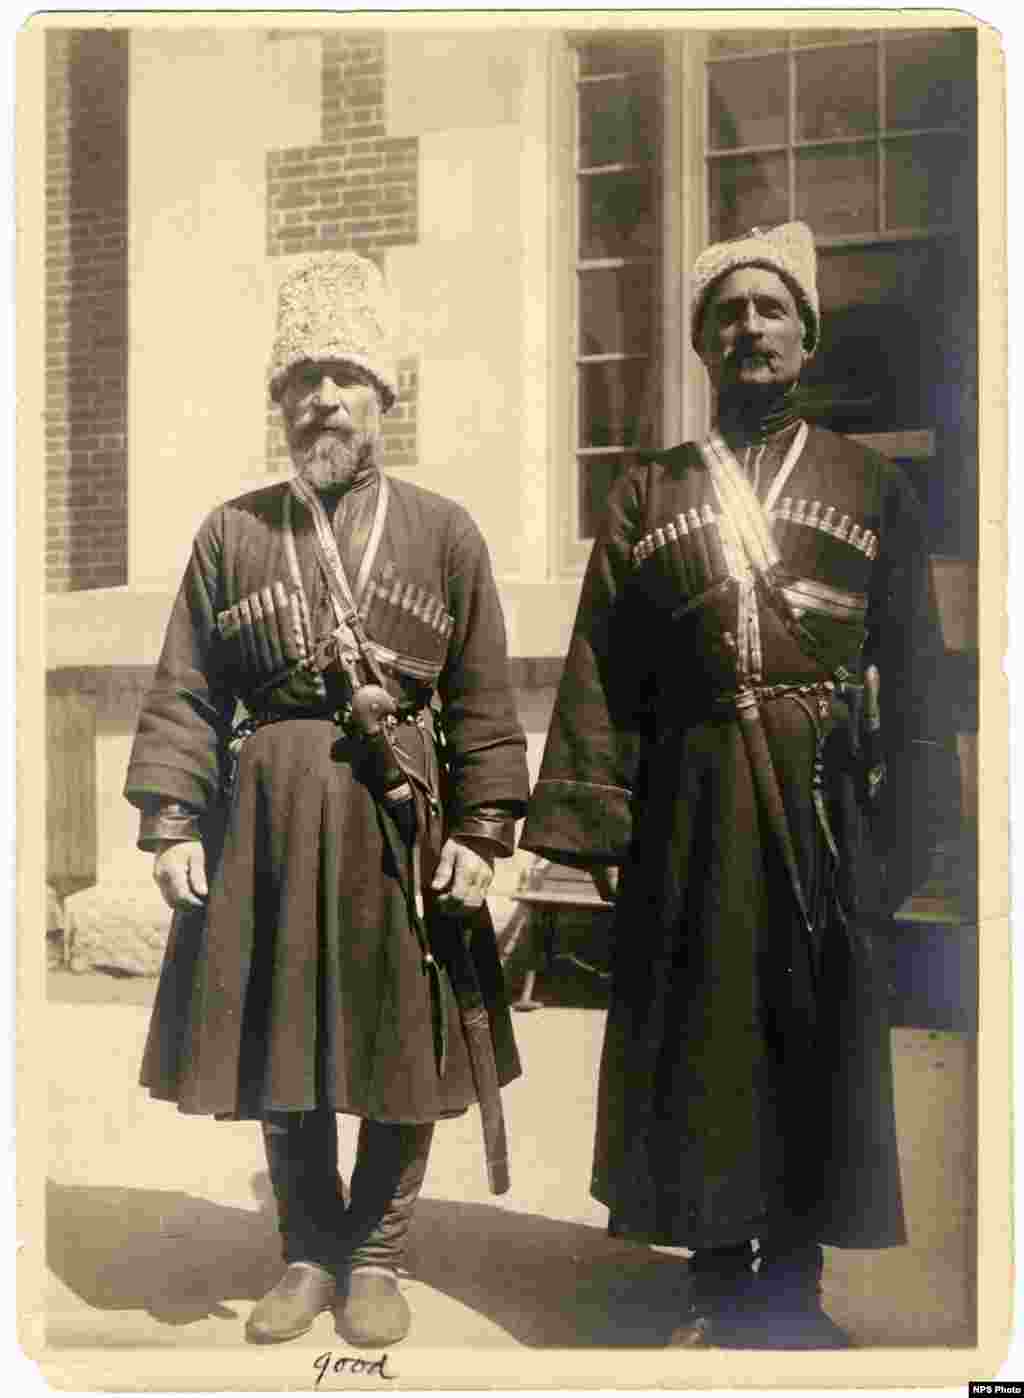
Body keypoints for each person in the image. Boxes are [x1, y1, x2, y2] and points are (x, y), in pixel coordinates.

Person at [521, 222, 948, 1347]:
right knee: (705, 1037)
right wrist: (596, 827)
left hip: (819, 798)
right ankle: (715, 1278)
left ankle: (792, 1288)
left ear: (805, 335)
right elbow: (601, 664)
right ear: (702, 345)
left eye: (771, 311)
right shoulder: (649, 491)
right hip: (693, 799)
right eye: (727, 314)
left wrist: (909, 830)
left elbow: (910, 675)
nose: (749, 328)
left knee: (813, 1029)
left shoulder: (871, 487)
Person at [125, 252, 529, 1347]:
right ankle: (307, 1246)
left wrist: (487, 831)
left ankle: (378, 1254)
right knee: (279, 1036)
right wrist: (170, 822)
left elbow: (485, 698)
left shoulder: (444, 532)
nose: (323, 398)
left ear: (385, 394)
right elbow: (187, 689)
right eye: (302, 377)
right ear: (280, 402)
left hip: (400, 819)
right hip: (263, 818)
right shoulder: (231, 531)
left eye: (346, 374)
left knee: (402, 1038)